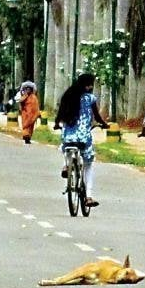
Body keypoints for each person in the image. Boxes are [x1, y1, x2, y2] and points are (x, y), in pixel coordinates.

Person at [54, 73, 109, 208]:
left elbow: (60, 113)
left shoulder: (68, 95)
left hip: (68, 135)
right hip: (84, 137)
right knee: (88, 164)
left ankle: (67, 165)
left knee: (66, 146)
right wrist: (104, 124)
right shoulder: (90, 98)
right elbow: (97, 116)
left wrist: (57, 123)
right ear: (89, 85)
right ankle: (88, 196)